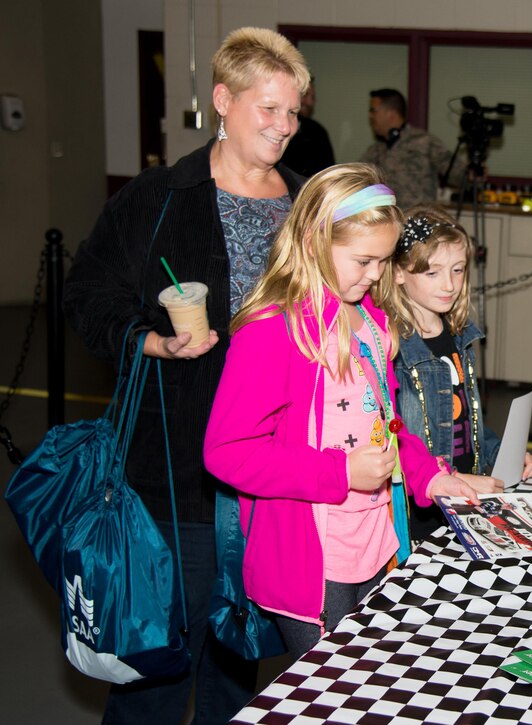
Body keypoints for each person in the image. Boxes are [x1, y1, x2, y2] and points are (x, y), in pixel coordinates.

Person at [64, 27, 309, 724]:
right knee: (159, 665)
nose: (284, 126)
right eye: (269, 109)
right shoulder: (158, 198)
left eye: (293, 113)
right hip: (176, 472)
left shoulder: (305, 204)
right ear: (223, 100)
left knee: (244, 664)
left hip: (276, 474)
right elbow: (87, 293)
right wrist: (150, 342)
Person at [203, 163, 480, 661]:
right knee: (333, 696)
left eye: (383, 261)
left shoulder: (371, 321)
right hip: (313, 559)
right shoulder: (273, 330)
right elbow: (227, 452)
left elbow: (388, 422)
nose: (376, 275)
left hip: (377, 541)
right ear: (313, 242)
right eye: (363, 261)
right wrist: (341, 471)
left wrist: (428, 475)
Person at [378, 205, 532, 540]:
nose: (449, 285)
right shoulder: (391, 345)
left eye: (457, 270)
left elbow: (469, 420)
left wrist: (503, 454)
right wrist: (450, 477)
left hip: (469, 489)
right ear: (398, 272)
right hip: (423, 504)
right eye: (432, 273)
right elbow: (393, 439)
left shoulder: (460, 334)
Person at [360, 88, 467, 208]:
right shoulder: (375, 150)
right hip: (387, 223)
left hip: (419, 220)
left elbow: (459, 175)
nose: (370, 116)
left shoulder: (424, 142)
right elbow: (356, 180)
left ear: (391, 113)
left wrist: (473, 174)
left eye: (373, 111)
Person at [280, 75, 335, 177]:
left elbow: (327, 174)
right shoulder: (277, 129)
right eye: (305, 95)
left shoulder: (318, 131)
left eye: (313, 97)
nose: (310, 102)